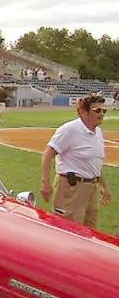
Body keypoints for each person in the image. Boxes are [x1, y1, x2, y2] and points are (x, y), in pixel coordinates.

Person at [40, 94, 111, 227]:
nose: (102, 114)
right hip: (71, 188)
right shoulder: (70, 129)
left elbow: (93, 165)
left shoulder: (98, 132)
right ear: (84, 112)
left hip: (91, 189)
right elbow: (48, 154)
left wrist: (104, 187)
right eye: (97, 110)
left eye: (103, 111)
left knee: (89, 232)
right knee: (68, 232)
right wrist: (45, 182)